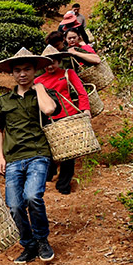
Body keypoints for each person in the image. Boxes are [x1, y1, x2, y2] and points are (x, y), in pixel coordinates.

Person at [0, 47, 61, 264]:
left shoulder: (43, 93)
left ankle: (42, 240)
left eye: (27, 69)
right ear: (12, 74)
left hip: (38, 154)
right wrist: (0, 157)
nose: (22, 74)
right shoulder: (3, 102)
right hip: (13, 158)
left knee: (32, 197)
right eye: (17, 70)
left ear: (35, 70)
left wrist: (39, 88)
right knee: (15, 205)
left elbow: (49, 110)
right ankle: (29, 245)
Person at [37, 45, 90, 195]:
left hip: (69, 116)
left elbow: (81, 92)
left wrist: (86, 110)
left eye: (53, 62)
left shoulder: (68, 73)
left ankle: (64, 184)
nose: (50, 66)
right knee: (49, 150)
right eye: (47, 63)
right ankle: (48, 177)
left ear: (59, 61)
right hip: (49, 118)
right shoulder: (38, 81)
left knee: (69, 153)